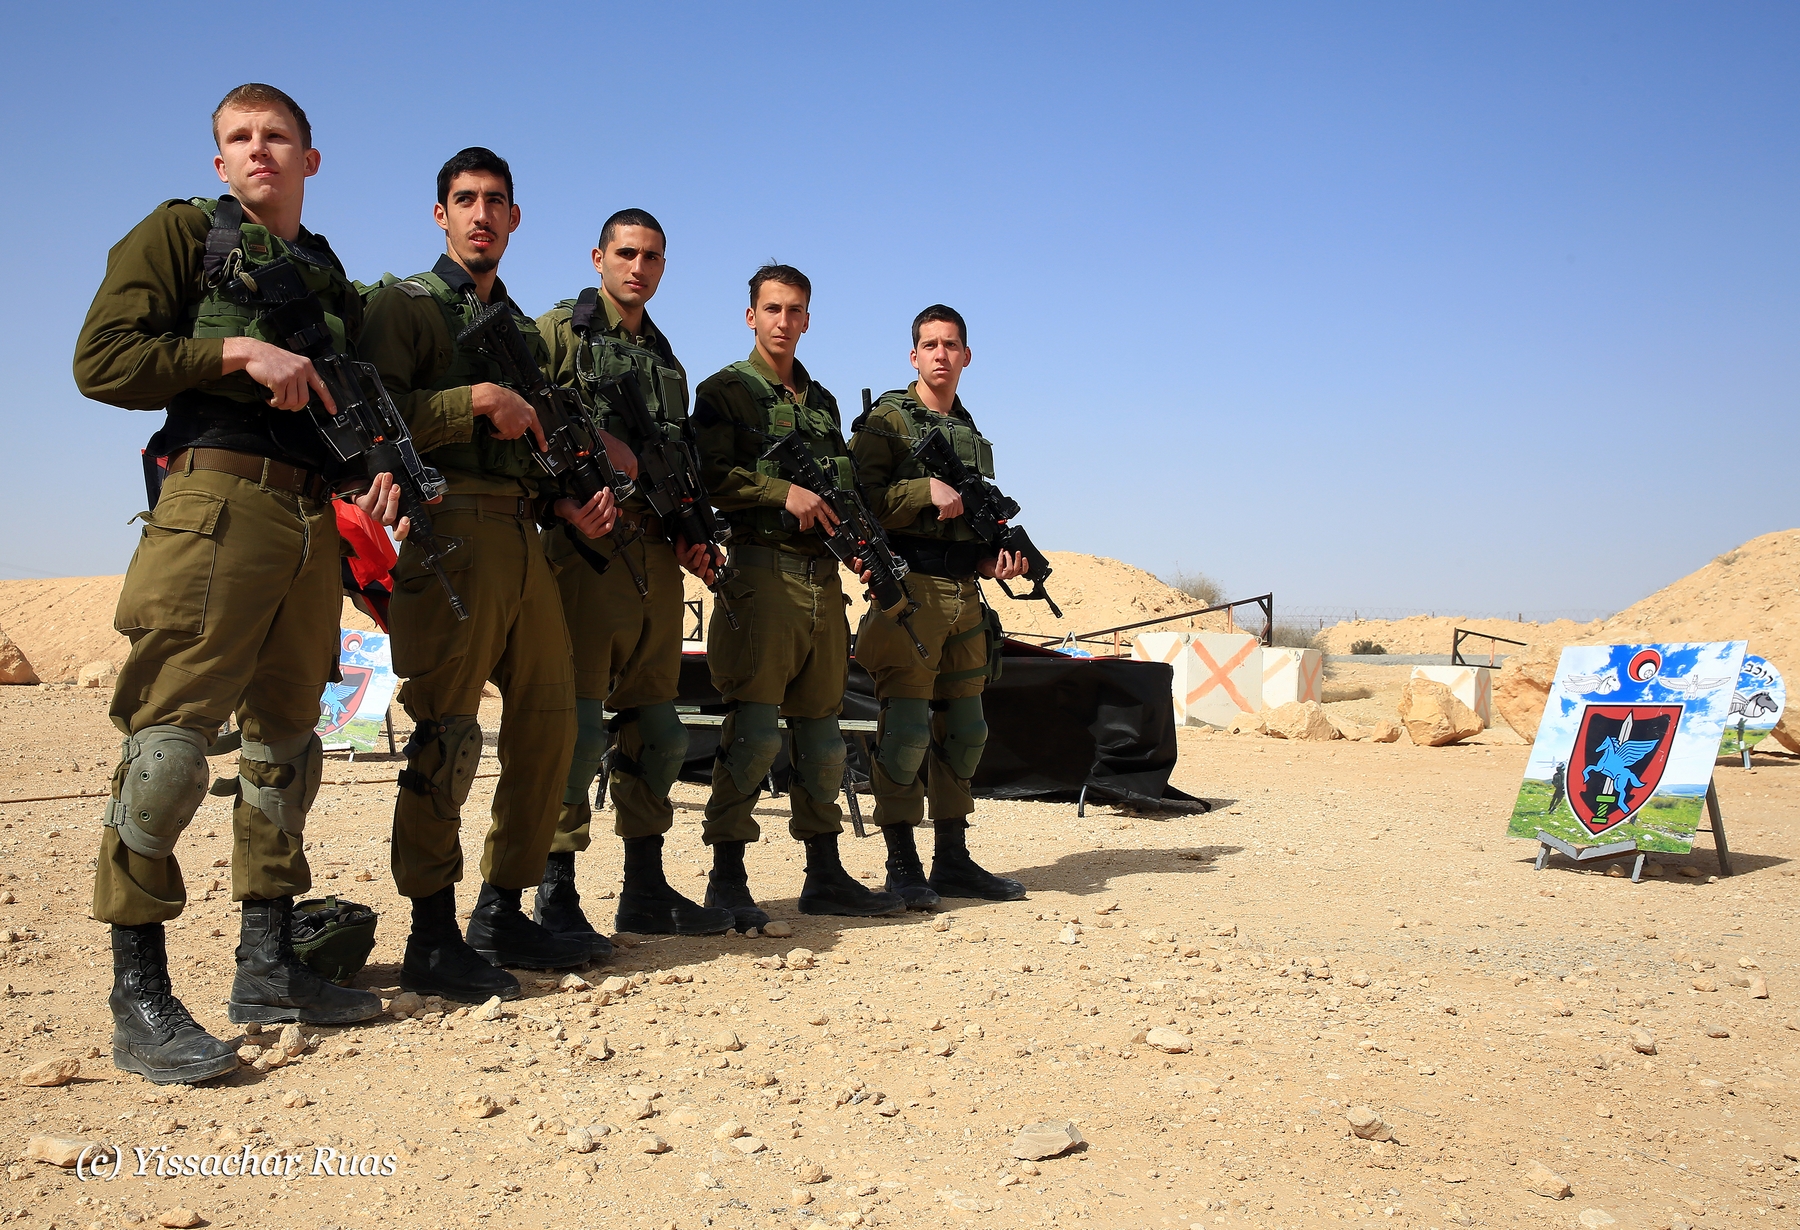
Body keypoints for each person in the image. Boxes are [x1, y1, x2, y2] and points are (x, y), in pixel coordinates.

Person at [72, 84, 400, 1084]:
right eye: (238, 140)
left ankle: (269, 971)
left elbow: (342, 404)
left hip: (309, 520)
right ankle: (140, 999)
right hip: (214, 504)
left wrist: (371, 466)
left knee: (285, 752)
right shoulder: (181, 234)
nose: (258, 151)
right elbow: (102, 360)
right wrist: (233, 349)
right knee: (169, 751)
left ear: (310, 157)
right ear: (220, 162)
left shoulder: (324, 271)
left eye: (276, 138)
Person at [359, 147, 616, 1002]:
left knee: (552, 726)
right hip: (451, 531)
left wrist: (567, 505)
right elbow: (369, 416)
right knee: (448, 733)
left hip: (524, 537)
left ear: (514, 219)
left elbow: (535, 449)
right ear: (441, 215)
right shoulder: (404, 307)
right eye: (464, 201)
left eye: (494, 202)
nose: (480, 215)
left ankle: (502, 909)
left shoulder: (519, 332)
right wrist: (469, 401)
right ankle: (431, 929)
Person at [535, 210, 735, 943]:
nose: (638, 267)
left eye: (652, 256)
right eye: (626, 253)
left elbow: (673, 462)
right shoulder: (561, 331)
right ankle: (553, 892)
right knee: (579, 728)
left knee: (657, 730)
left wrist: (690, 533)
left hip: (654, 557)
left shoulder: (666, 359)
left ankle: (644, 888)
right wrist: (559, 499)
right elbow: (528, 425)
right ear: (597, 257)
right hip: (587, 552)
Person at [691, 266, 905, 919]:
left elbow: (841, 493)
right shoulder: (725, 391)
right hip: (760, 571)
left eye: (795, 310)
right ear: (750, 315)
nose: (783, 320)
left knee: (822, 735)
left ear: (808, 319)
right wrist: (780, 492)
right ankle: (727, 878)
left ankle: (825, 872)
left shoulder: (823, 403)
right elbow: (706, 476)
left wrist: (867, 551)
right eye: (772, 308)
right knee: (754, 731)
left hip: (821, 580)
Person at [849, 305, 1028, 906]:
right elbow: (859, 500)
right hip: (910, 593)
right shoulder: (887, 423)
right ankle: (902, 862)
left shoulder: (973, 436)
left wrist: (992, 559)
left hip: (965, 597)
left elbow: (972, 527)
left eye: (951, 345)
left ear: (966, 356)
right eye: (930, 345)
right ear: (913, 356)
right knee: (903, 731)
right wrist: (923, 489)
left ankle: (952, 858)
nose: (941, 355)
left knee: (965, 731)